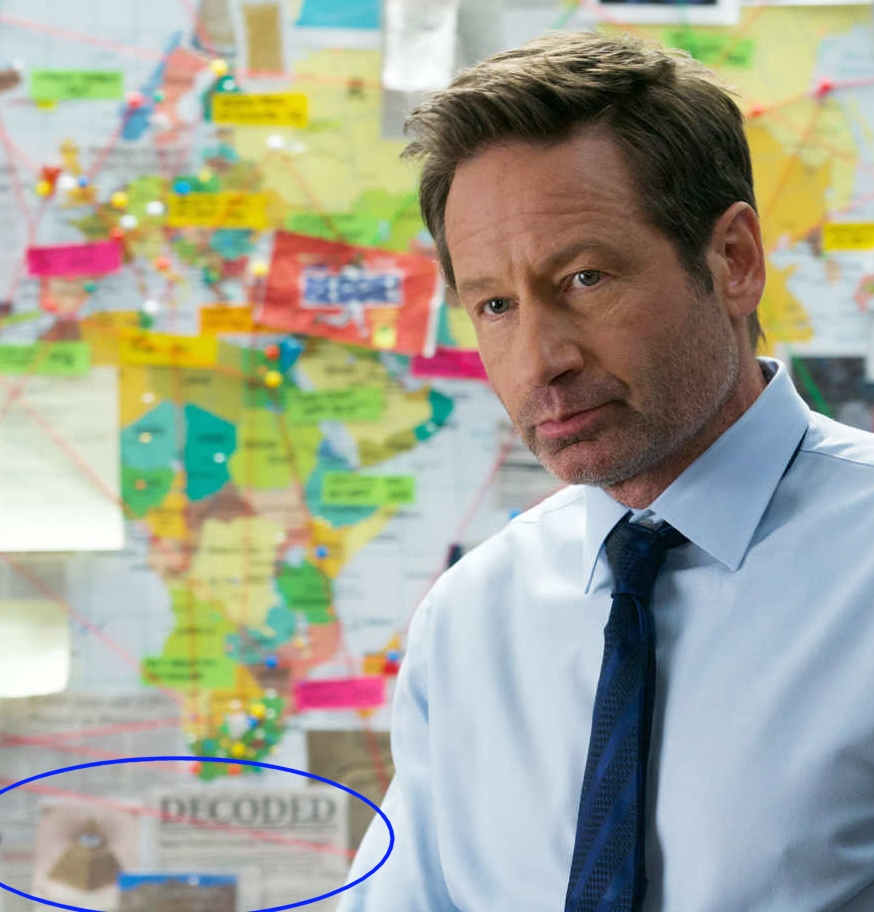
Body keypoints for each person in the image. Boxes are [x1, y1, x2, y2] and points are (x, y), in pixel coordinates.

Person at [336, 30, 874, 912]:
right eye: (495, 304)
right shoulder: (470, 621)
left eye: (584, 279)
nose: (539, 360)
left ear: (734, 262)